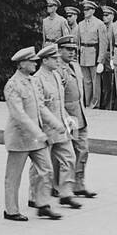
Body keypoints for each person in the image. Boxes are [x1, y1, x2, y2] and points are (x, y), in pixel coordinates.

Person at [2, 47, 58, 222]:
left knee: (47, 170)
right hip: (19, 138)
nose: (35, 63)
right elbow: (19, 115)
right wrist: (39, 133)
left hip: (35, 138)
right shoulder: (13, 85)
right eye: (32, 61)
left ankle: (42, 204)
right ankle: (11, 210)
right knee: (13, 177)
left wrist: (56, 124)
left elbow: (40, 107)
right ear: (21, 64)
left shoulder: (32, 82)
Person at [30, 43, 81, 212]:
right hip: (45, 129)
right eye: (54, 58)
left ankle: (65, 193)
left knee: (69, 158)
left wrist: (67, 119)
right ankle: (35, 197)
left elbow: (59, 103)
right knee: (40, 166)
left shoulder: (56, 76)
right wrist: (55, 122)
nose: (57, 61)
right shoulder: (37, 79)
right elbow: (40, 107)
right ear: (45, 60)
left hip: (60, 127)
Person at [56, 37, 97, 199]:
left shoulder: (75, 66)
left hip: (79, 114)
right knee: (65, 154)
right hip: (67, 116)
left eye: (74, 49)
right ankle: (60, 185)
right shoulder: (57, 70)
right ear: (59, 51)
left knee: (83, 150)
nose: (72, 52)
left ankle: (79, 183)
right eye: (68, 49)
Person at [75, 0, 106, 106]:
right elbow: (77, 43)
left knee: (95, 82)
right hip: (84, 54)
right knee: (86, 82)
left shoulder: (99, 24)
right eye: (85, 9)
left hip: (94, 54)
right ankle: (87, 103)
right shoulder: (80, 24)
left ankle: (95, 104)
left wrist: (101, 61)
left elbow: (103, 43)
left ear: (93, 10)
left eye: (88, 9)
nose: (85, 11)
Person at [98, 4, 117, 109]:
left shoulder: (114, 27)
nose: (104, 17)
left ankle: (111, 106)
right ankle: (104, 104)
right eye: (103, 15)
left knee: (111, 83)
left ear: (112, 16)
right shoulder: (101, 27)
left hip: (110, 56)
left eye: (107, 15)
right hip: (102, 56)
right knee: (104, 83)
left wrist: (113, 58)